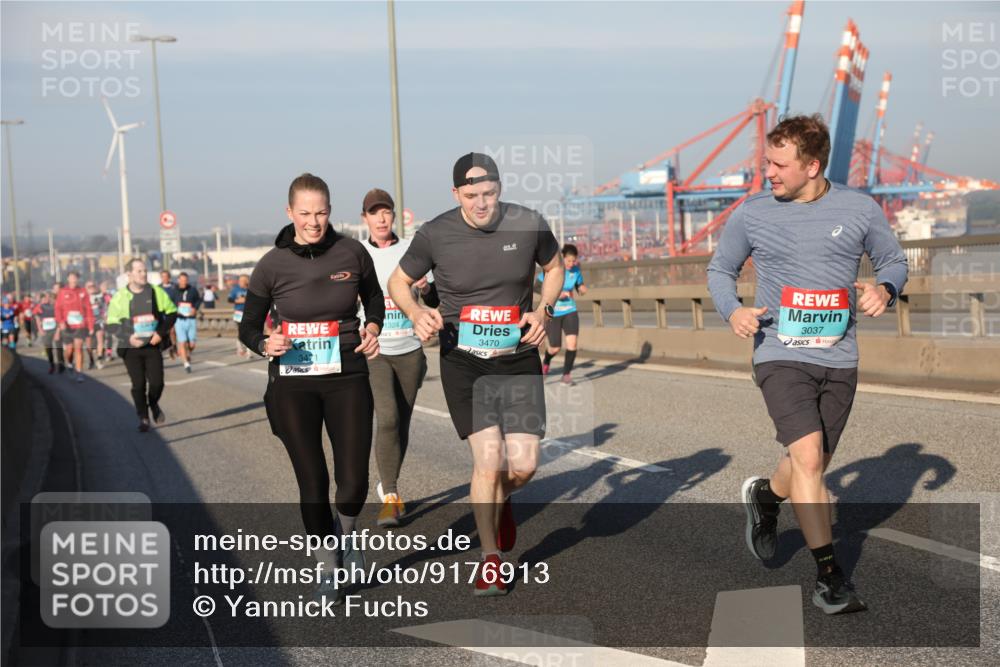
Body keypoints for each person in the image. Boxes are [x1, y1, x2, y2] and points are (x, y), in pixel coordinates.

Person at [707, 114, 908, 615]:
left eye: (778, 164)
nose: (767, 173)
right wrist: (734, 311)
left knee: (805, 463)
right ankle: (829, 577)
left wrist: (885, 289)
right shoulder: (752, 214)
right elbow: (720, 269)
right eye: (766, 162)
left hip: (839, 356)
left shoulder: (860, 209)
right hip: (779, 352)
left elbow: (894, 261)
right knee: (811, 460)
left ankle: (766, 498)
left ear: (812, 165)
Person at [389, 153, 563, 596]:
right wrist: (416, 311)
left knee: (523, 465)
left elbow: (555, 267)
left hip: (518, 354)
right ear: (455, 194)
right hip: (464, 360)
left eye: (488, 194)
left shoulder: (528, 223)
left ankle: (499, 502)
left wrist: (543, 309)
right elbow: (397, 282)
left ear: (499, 188)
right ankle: (490, 561)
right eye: (471, 196)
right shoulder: (436, 233)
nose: (481, 204)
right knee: (488, 460)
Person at [238, 173, 383, 603]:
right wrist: (266, 342)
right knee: (312, 482)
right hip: (294, 382)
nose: (314, 221)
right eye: (305, 213)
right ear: (289, 213)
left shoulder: (352, 252)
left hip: (347, 375)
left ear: (330, 211)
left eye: (321, 212)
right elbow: (247, 326)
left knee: (353, 482)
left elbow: (374, 297)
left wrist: (373, 325)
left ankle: (349, 534)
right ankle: (327, 568)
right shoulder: (271, 264)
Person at [359, 188, 438, 527]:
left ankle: (388, 481)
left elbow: (434, 297)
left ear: (393, 215)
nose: (380, 218)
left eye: (385, 212)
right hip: (375, 350)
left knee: (401, 422)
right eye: (374, 213)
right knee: (388, 417)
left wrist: (427, 286)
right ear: (365, 218)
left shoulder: (412, 250)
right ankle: (390, 496)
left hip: (410, 349)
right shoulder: (357, 253)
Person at [106, 259, 178, 432]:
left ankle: (153, 403)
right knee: (138, 385)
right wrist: (128, 337)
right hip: (131, 347)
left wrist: (160, 333)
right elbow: (111, 324)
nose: (143, 274)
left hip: (151, 345)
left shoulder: (155, 292)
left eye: (145, 270)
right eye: (139, 271)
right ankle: (143, 417)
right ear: (129, 275)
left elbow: (172, 313)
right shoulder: (120, 297)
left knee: (157, 383)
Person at [539, 244, 588, 385]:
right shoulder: (554, 269)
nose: (571, 264)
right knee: (555, 347)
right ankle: (546, 362)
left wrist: (582, 288)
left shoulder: (576, 271)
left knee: (572, 344)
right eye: (569, 261)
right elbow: (537, 286)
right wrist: (556, 294)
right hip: (554, 312)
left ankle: (566, 375)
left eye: (574, 261)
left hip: (570, 311)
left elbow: (579, 286)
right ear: (563, 258)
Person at [55, 272, 95, 382]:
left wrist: (90, 325)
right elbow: (58, 308)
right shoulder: (63, 292)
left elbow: (88, 309)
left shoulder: (83, 292)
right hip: (67, 325)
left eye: (75, 278)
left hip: (80, 324)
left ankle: (79, 372)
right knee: (69, 349)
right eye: (71, 278)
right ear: (68, 279)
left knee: (78, 347)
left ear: (78, 279)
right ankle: (69, 362)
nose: (73, 280)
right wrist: (61, 321)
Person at [167, 272, 202, 373]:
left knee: (192, 344)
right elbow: (170, 303)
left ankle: (187, 353)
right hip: (179, 319)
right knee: (182, 342)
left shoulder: (192, 290)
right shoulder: (174, 291)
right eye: (181, 280)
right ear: (178, 280)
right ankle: (186, 363)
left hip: (191, 319)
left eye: (185, 280)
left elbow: (198, 300)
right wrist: (174, 311)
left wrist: (195, 308)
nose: (183, 282)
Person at [33, 292, 65, 373]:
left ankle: (61, 364)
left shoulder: (55, 306)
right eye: (44, 298)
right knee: (48, 348)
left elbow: (60, 318)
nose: (46, 299)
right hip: (46, 330)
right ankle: (52, 365)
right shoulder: (39, 307)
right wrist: (40, 329)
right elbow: (37, 318)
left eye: (48, 298)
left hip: (56, 328)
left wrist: (58, 330)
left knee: (58, 346)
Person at [85, 281, 105, 369]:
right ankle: (91, 360)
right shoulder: (83, 297)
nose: (91, 287)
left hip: (98, 321)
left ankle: (99, 359)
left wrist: (105, 317)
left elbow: (105, 307)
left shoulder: (100, 296)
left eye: (93, 285)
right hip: (87, 322)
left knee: (100, 339)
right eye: (89, 286)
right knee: (89, 343)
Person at [229, 275, 251, 357]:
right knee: (241, 331)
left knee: (249, 331)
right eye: (240, 280)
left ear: (247, 281)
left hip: (249, 312)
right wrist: (237, 300)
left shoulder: (251, 289)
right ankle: (240, 348)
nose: (241, 282)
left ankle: (249, 351)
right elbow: (229, 299)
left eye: (243, 280)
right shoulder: (235, 289)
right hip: (238, 313)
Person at [159, 270, 178, 360]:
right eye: (162, 276)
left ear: (169, 277)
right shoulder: (158, 288)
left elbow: (177, 299)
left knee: (172, 331)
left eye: (166, 276)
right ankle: (169, 346)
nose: (164, 278)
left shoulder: (174, 287)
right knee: (165, 332)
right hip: (162, 313)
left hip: (171, 312)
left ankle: (174, 346)